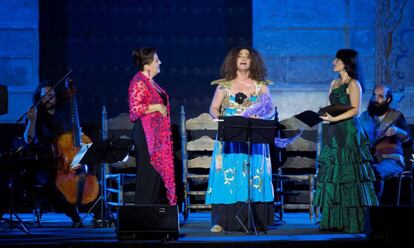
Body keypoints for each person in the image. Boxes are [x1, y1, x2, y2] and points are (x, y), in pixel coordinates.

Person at [205, 47, 276, 233]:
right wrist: (218, 118)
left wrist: (262, 117)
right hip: (230, 135)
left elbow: (270, 110)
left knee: (253, 174)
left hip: (253, 136)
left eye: (247, 57)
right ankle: (221, 220)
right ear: (233, 61)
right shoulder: (224, 85)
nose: (243, 59)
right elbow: (213, 108)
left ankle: (257, 220)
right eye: (240, 56)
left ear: (253, 61)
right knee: (227, 175)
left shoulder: (261, 85)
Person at [312, 49, 378, 233]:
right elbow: (332, 106)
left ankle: (351, 222)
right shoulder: (334, 82)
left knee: (348, 175)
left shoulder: (353, 83)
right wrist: (324, 115)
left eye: (337, 59)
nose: (333, 62)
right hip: (333, 131)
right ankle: (334, 221)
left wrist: (334, 119)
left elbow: (355, 109)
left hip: (348, 131)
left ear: (346, 62)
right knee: (334, 176)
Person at [23, 80, 98, 228]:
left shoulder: (65, 113)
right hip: (46, 162)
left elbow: (78, 143)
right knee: (53, 184)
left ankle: (100, 213)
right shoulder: (37, 115)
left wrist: (80, 139)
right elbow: (29, 140)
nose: (49, 98)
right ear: (39, 97)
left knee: (90, 175)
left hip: (69, 161)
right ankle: (73, 214)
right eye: (45, 96)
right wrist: (32, 121)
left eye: (51, 94)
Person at [128, 48, 176, 206]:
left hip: (158, 136)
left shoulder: (151, 82)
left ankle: (156, 214)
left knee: (157, 175)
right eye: (156, 60)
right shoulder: (138, 81)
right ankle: (143, 213)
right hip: (145, 135)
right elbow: (135, 111)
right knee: (148, 173)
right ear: (147, 65)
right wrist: (156, 107)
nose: (160, 62)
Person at [359, 84, 412, 203]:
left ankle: (374, 209)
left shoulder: (395, 116)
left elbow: (408, 139)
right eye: (374, 95)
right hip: (371, 160)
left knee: (375, 172)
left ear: (388, 100)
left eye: (380, 96)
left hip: (392, 161)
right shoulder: (365, 117)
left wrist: (397, 131)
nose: (376, 99)